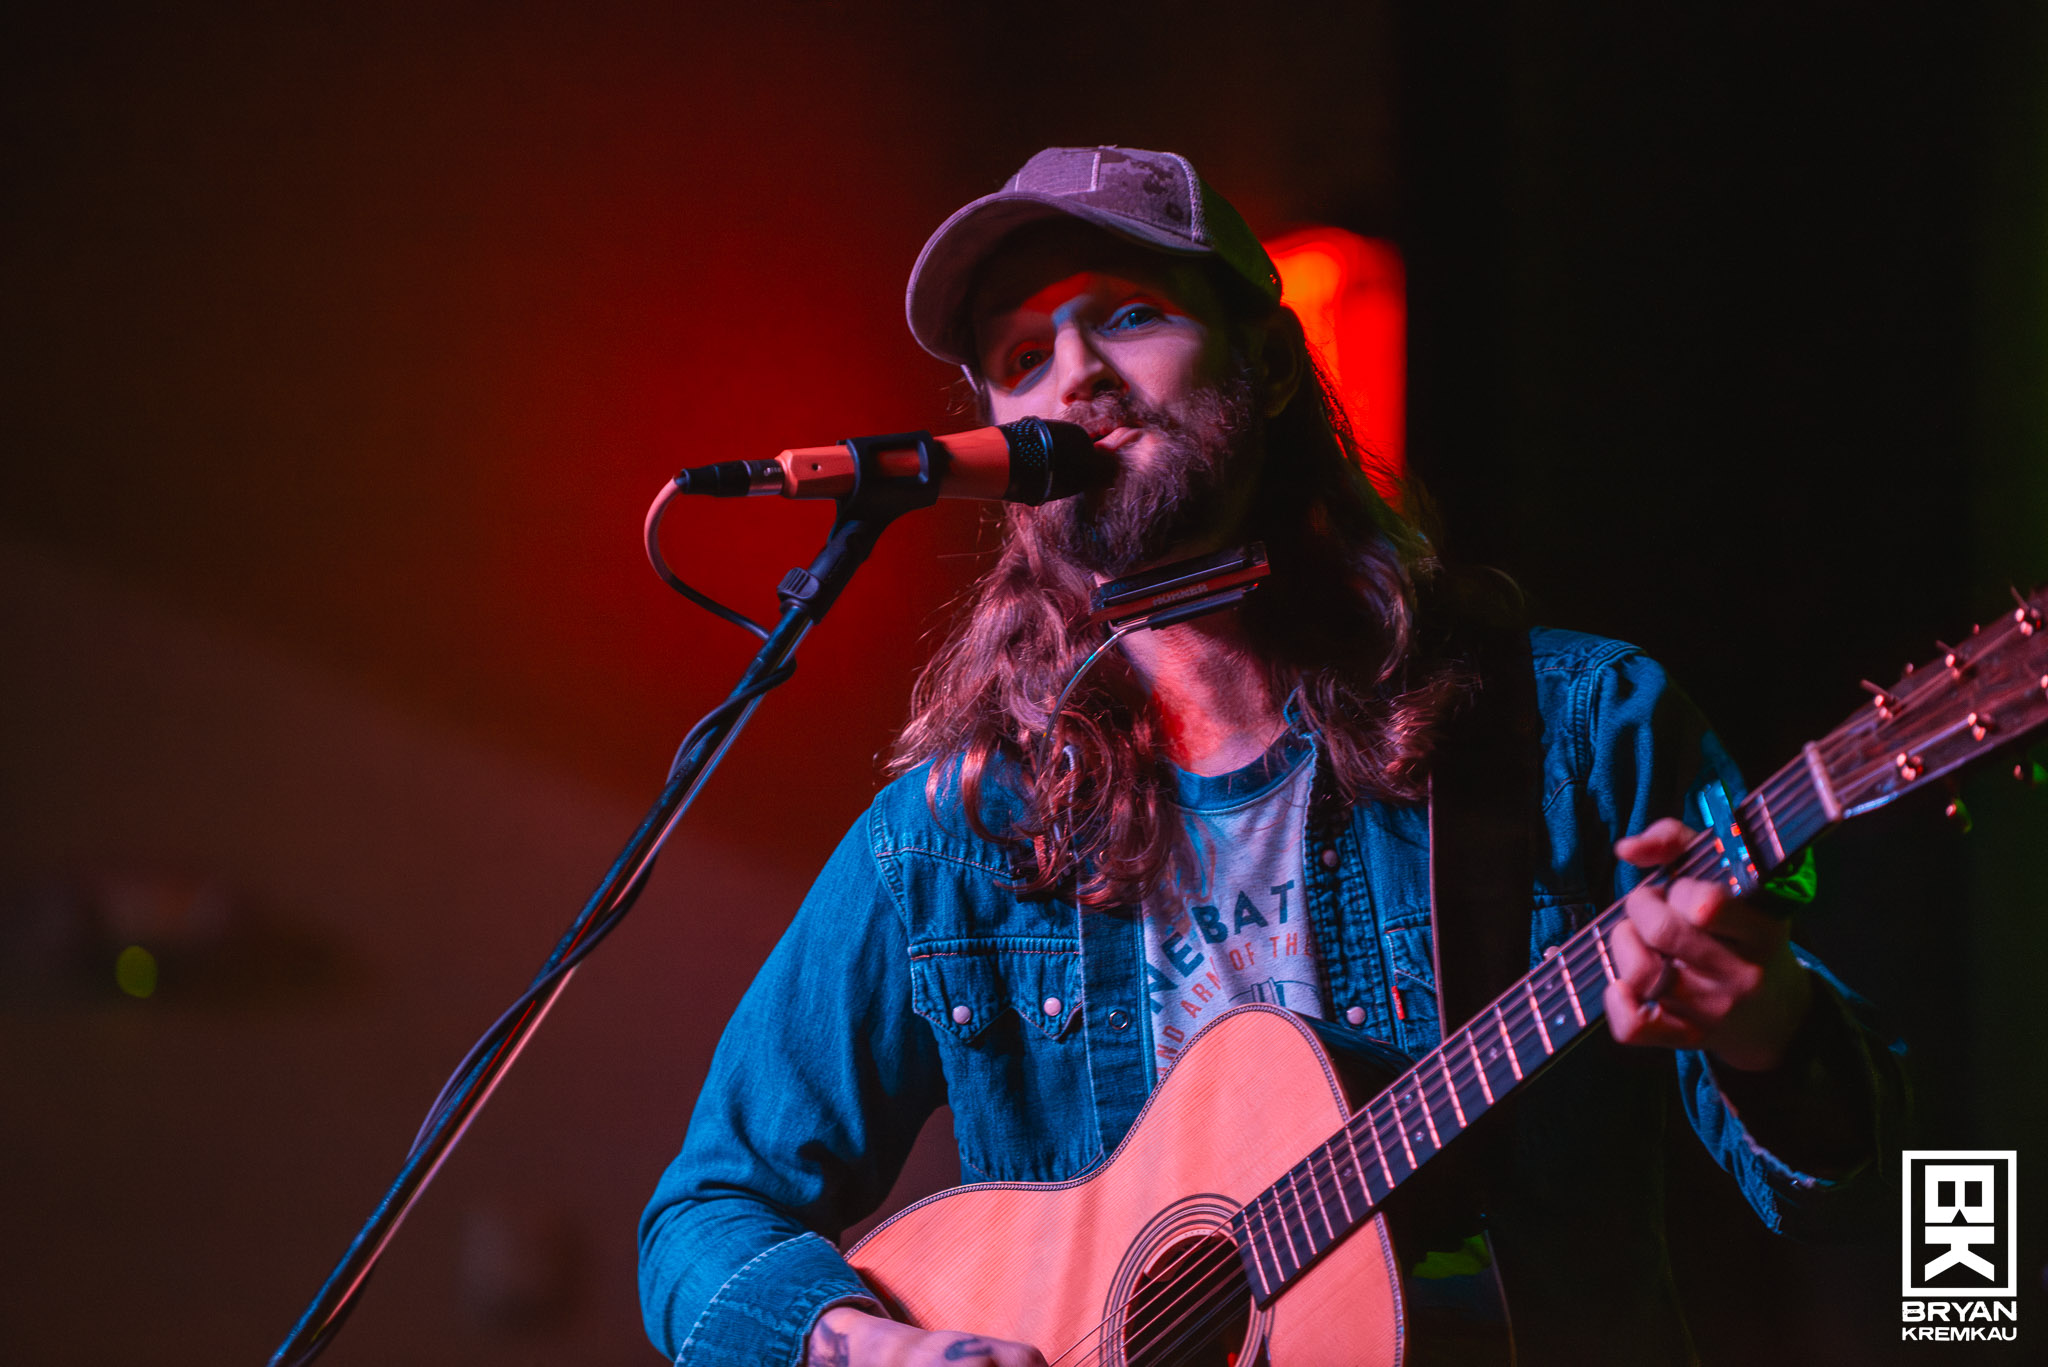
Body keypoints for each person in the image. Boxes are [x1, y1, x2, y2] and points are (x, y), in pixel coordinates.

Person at [638, 146, 1906, 1367]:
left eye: (1127, 315)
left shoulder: (1574, 724)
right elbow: (702, 1222)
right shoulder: (960, 826)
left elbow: (1915, 1217)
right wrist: (857, 1342)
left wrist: (1769, 1026)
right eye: (1023, 357)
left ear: (1273, 362)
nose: (1073, 375)